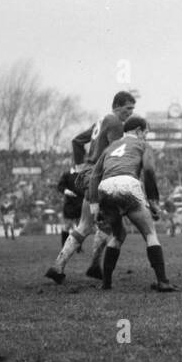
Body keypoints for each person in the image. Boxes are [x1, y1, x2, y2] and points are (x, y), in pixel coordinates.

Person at [45, 91, 135, 284]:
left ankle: (58, 266)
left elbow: (77, 141)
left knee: (86, 224)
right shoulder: (115, 124)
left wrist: (79, 169)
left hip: (89, 177)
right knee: (117, 229)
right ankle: (95, 266)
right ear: (117, 106)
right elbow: (116, 153)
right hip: (103, 177)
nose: (131, 113)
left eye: (133, 109)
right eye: (128, 108)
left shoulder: (101, 121)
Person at [86, 116, 177, 291]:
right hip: (127, 184)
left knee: (118, 235)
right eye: (146, 132)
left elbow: (94, 176)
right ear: (138, 131)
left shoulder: (110, 147)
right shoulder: (143, 145)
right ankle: (163, 281)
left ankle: (106, 283)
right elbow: (149, 170)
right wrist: (153, 201)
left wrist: (94, 206)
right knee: (150, 234)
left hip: (105, 187)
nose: (146, 136)